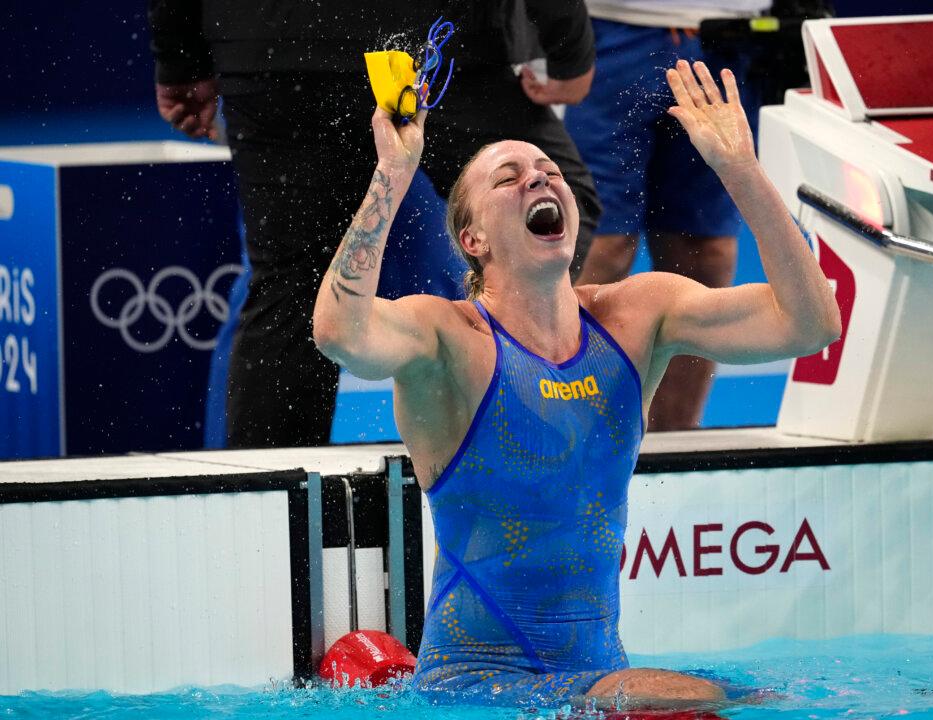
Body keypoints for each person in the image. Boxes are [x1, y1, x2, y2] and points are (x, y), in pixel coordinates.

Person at [313, 59, 840, 709]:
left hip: (599, 683)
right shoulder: (447, 339)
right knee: (697, 700)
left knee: (776, 699)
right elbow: (339, 331)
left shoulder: (636, 316)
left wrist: (740, 169)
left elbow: (812, 324)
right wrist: (393, 174)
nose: (538, 176)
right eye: (509, 178)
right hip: (476, 688)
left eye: (550, 171)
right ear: (472, 238)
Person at [147, 1, 601, 448]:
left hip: (274, 48)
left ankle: (270, 505)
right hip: (439, 43)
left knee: (288, 292)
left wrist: (180, 60)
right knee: (548, 214)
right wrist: (569, 51)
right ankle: (523, 444)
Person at [564, 0, 768, 431]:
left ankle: (675, 444)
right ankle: (566, 437)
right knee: (599, 246)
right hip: (612, 30)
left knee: (703, 252)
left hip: (731, 36)